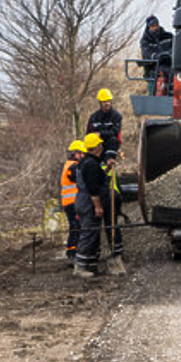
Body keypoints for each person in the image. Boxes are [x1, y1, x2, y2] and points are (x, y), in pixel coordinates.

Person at [73, 134, 109, 277]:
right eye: (100, 145)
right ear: (96, 148)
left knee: (93, 233)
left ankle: (91, 264)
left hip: (82, 201)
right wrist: (98, 207)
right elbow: (93, 189)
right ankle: (80, 267)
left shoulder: (86, 162)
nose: (102, 147)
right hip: (88, 203)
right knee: (88, 233)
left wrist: (108, 168)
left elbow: (96, 178)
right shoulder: (91, 165)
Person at [59, 140, 86, 266]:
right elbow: (79, 177)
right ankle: (72, 253)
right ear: (76, 153)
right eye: (82, 154)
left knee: (75, 227)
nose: (83, 156)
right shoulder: (73, 166)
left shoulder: (69, 165)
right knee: (76, 227)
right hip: (72, 202)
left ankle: (72, 252)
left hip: (70, 202)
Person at [86, 89, 123, 166]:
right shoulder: (93, 117)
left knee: (113, 140)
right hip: (96, 146)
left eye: (108, 101)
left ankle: (108, 162)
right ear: (100, 102)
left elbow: (115, 132)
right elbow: (88, 133)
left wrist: (101, 134)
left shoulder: (116, 116)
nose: (107, 103)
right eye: (104, 102)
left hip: (110, 146)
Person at [140, 16, 174, 95]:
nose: (155, 28)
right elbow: (148, 54)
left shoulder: (168, 36)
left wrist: (169, 53)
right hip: (154, 67)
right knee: (162, 74)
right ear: (148, 27)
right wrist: (159, 56)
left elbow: (176, 48)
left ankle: (173, 91)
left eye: (156, 25)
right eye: (152, 26)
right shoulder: (145, 41)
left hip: (169, 63)